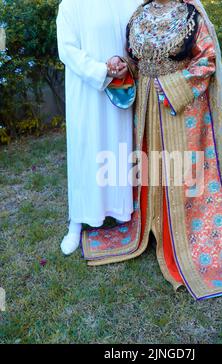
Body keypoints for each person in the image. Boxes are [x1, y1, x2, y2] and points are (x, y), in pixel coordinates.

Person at [81, 0, 222, 343]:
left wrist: (172, 86)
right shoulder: (140, 14)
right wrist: (123, 67)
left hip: (183, 109)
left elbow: (206, 61)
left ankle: (188, 238)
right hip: (148, 110)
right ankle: (152, 223)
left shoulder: (191, 15)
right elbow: (136, 61)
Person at [56, 0, 141, 255]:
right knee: (86, 153)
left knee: (119, 151)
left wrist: (127, 63)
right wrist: (102, 70)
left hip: (121, 90)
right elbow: (67, 50)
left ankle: (122, 211)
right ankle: (78, 221)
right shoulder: (71, 5)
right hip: (87, 93)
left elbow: (138, 40)